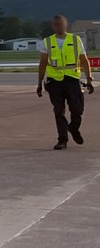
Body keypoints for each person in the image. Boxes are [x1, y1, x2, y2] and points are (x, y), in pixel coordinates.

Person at [37, 15, 94, 150]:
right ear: (53, 26)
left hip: (72, 80)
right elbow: (43, 64)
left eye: (61, 24)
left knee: (77, 109)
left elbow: (84, 60)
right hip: (54, 82)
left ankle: (73, 128)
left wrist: (89, 79)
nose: (58, 27)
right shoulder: (47, 42)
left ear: (66, 25)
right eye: (56, 24)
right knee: (59, 111)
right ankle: (62, 140)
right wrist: (39, 83)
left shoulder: (75, 40)